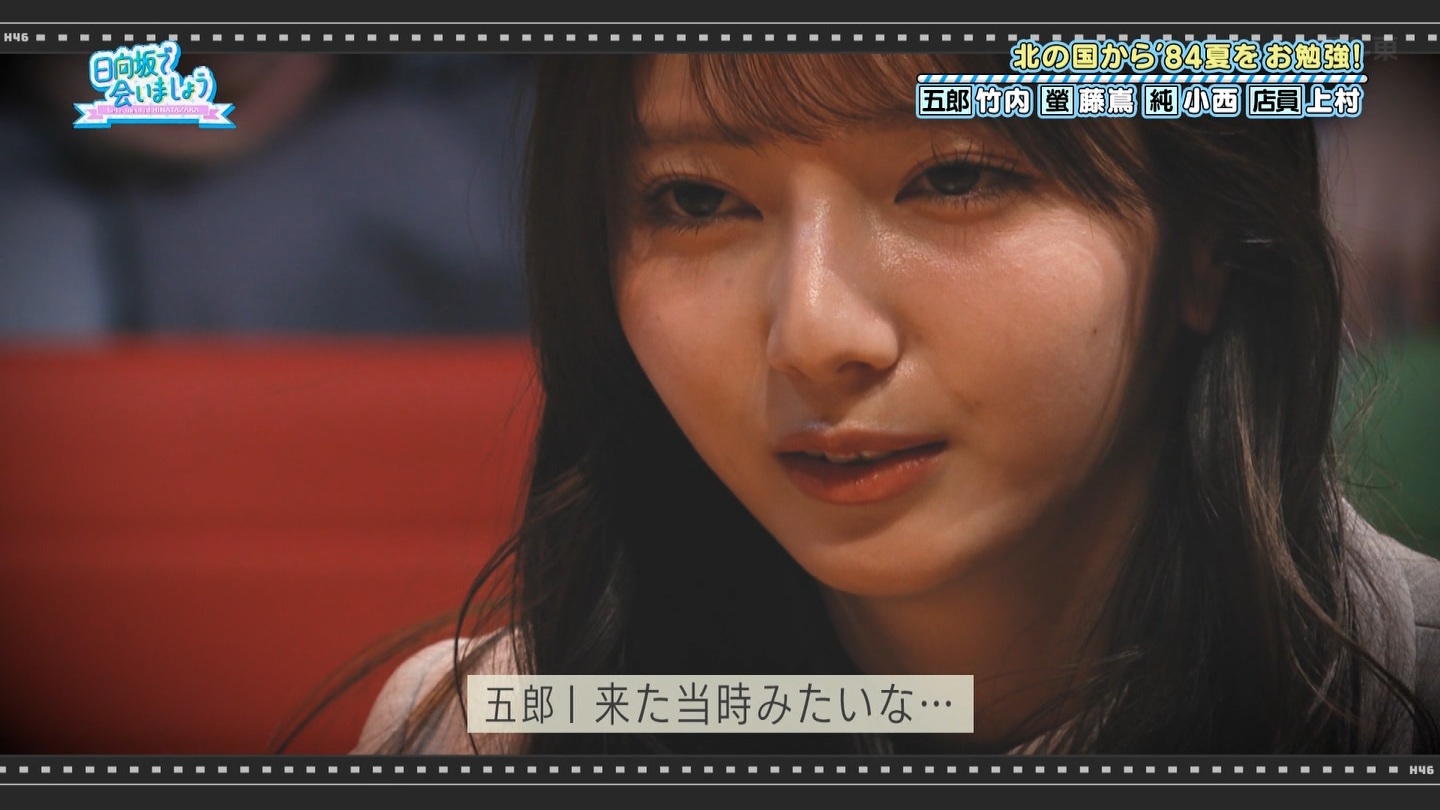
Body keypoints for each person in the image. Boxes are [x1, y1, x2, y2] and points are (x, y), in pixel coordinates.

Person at [347, 53, 1440, 756]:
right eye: (697, 198)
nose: (814, 335)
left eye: (957, 178)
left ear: (1207, 234)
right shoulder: (492, 733)